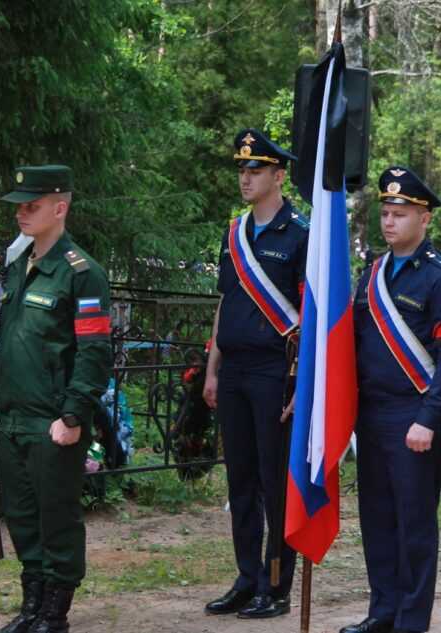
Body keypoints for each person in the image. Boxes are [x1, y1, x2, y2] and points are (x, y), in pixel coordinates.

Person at [0, 165, 112, 633]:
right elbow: (13, 338)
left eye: (33, 204)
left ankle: (53, 615)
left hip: (52, 421)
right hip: (12, 418)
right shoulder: (19, 268)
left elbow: (93, 352)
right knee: (23, 519)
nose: (22, 212)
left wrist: (73, 414)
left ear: (59, 208)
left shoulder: (82, 275)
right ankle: (30, 610)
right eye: (20, 205)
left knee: (57, 519)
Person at [341, 167, 441, 633]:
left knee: (413, 527)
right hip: (370, 414)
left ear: (424, 218)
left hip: (412, 417)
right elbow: (351, 346)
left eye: (400, 214)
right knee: (376, 520)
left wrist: (428, 418)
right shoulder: (372, 273)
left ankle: (411, 622)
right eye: (386, 213)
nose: (390, 222)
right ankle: (383, 613)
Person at [202, 129, 306, 620]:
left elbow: (314, 318)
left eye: (256, 170)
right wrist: (212, 368)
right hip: (236, 369)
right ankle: (247, 579)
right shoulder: (234, 233)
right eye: (242, 170)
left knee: (274, 481)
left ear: (278, 176)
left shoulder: (302, 234)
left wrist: (300, 383)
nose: (245, 178)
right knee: (240, 480)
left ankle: (277, 583)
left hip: (275, 371)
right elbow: (226, 301)